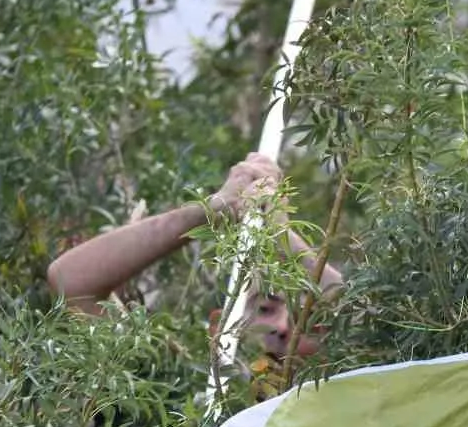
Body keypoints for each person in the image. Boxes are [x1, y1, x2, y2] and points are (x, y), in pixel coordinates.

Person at [46, 152, 344, 366]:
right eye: (266, 309)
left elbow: (358, 320)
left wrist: (284, 237)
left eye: (306, 320)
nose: (282, 328)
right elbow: (70, 280)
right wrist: (213, 211)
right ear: (219, 326)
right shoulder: (170, 390)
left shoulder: (338, 403)